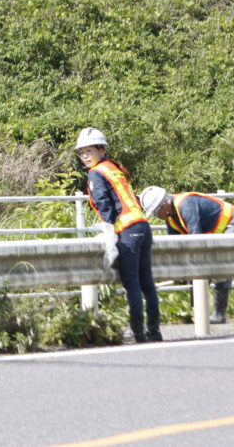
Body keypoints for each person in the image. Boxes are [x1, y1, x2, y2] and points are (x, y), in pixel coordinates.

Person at [76, 127, 162, 343]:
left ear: (101, 149)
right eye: (82, 152)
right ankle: (155, 331)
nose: (85, 156)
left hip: (127, 230)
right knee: (147, 283)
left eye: (89, 151)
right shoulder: (114, 167)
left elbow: (105, 206)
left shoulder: (96, 173)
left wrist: (108, 231)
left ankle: (139, 333)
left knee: (132, 283)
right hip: (143, 226)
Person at [140, 186, 234, 324]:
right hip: (214, 232)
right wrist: (180, 271)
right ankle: (197, 313)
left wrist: (191, 267)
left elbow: (195, 239)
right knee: (195, 273)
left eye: (156, 212)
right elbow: (175, 246)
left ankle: (219, 314)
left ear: (164, 205)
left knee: (221, 266)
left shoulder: (185, 204)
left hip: (232, 223)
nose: (156, 216)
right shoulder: (170, 218)